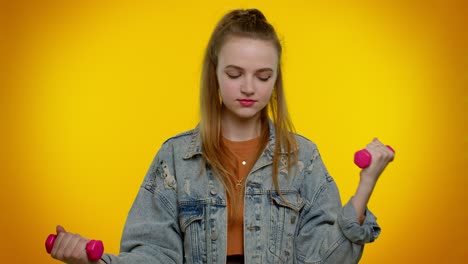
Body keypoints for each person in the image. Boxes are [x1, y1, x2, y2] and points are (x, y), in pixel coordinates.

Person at [49, 8, 394, 264]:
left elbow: (325, 260)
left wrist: (365, 187)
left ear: (276, 81)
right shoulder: (176, 158)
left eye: (262, 76)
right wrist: (95, 260)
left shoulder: (303, 158)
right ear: (214, 75)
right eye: (234, 73)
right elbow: (155, 255)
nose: (248, 87)